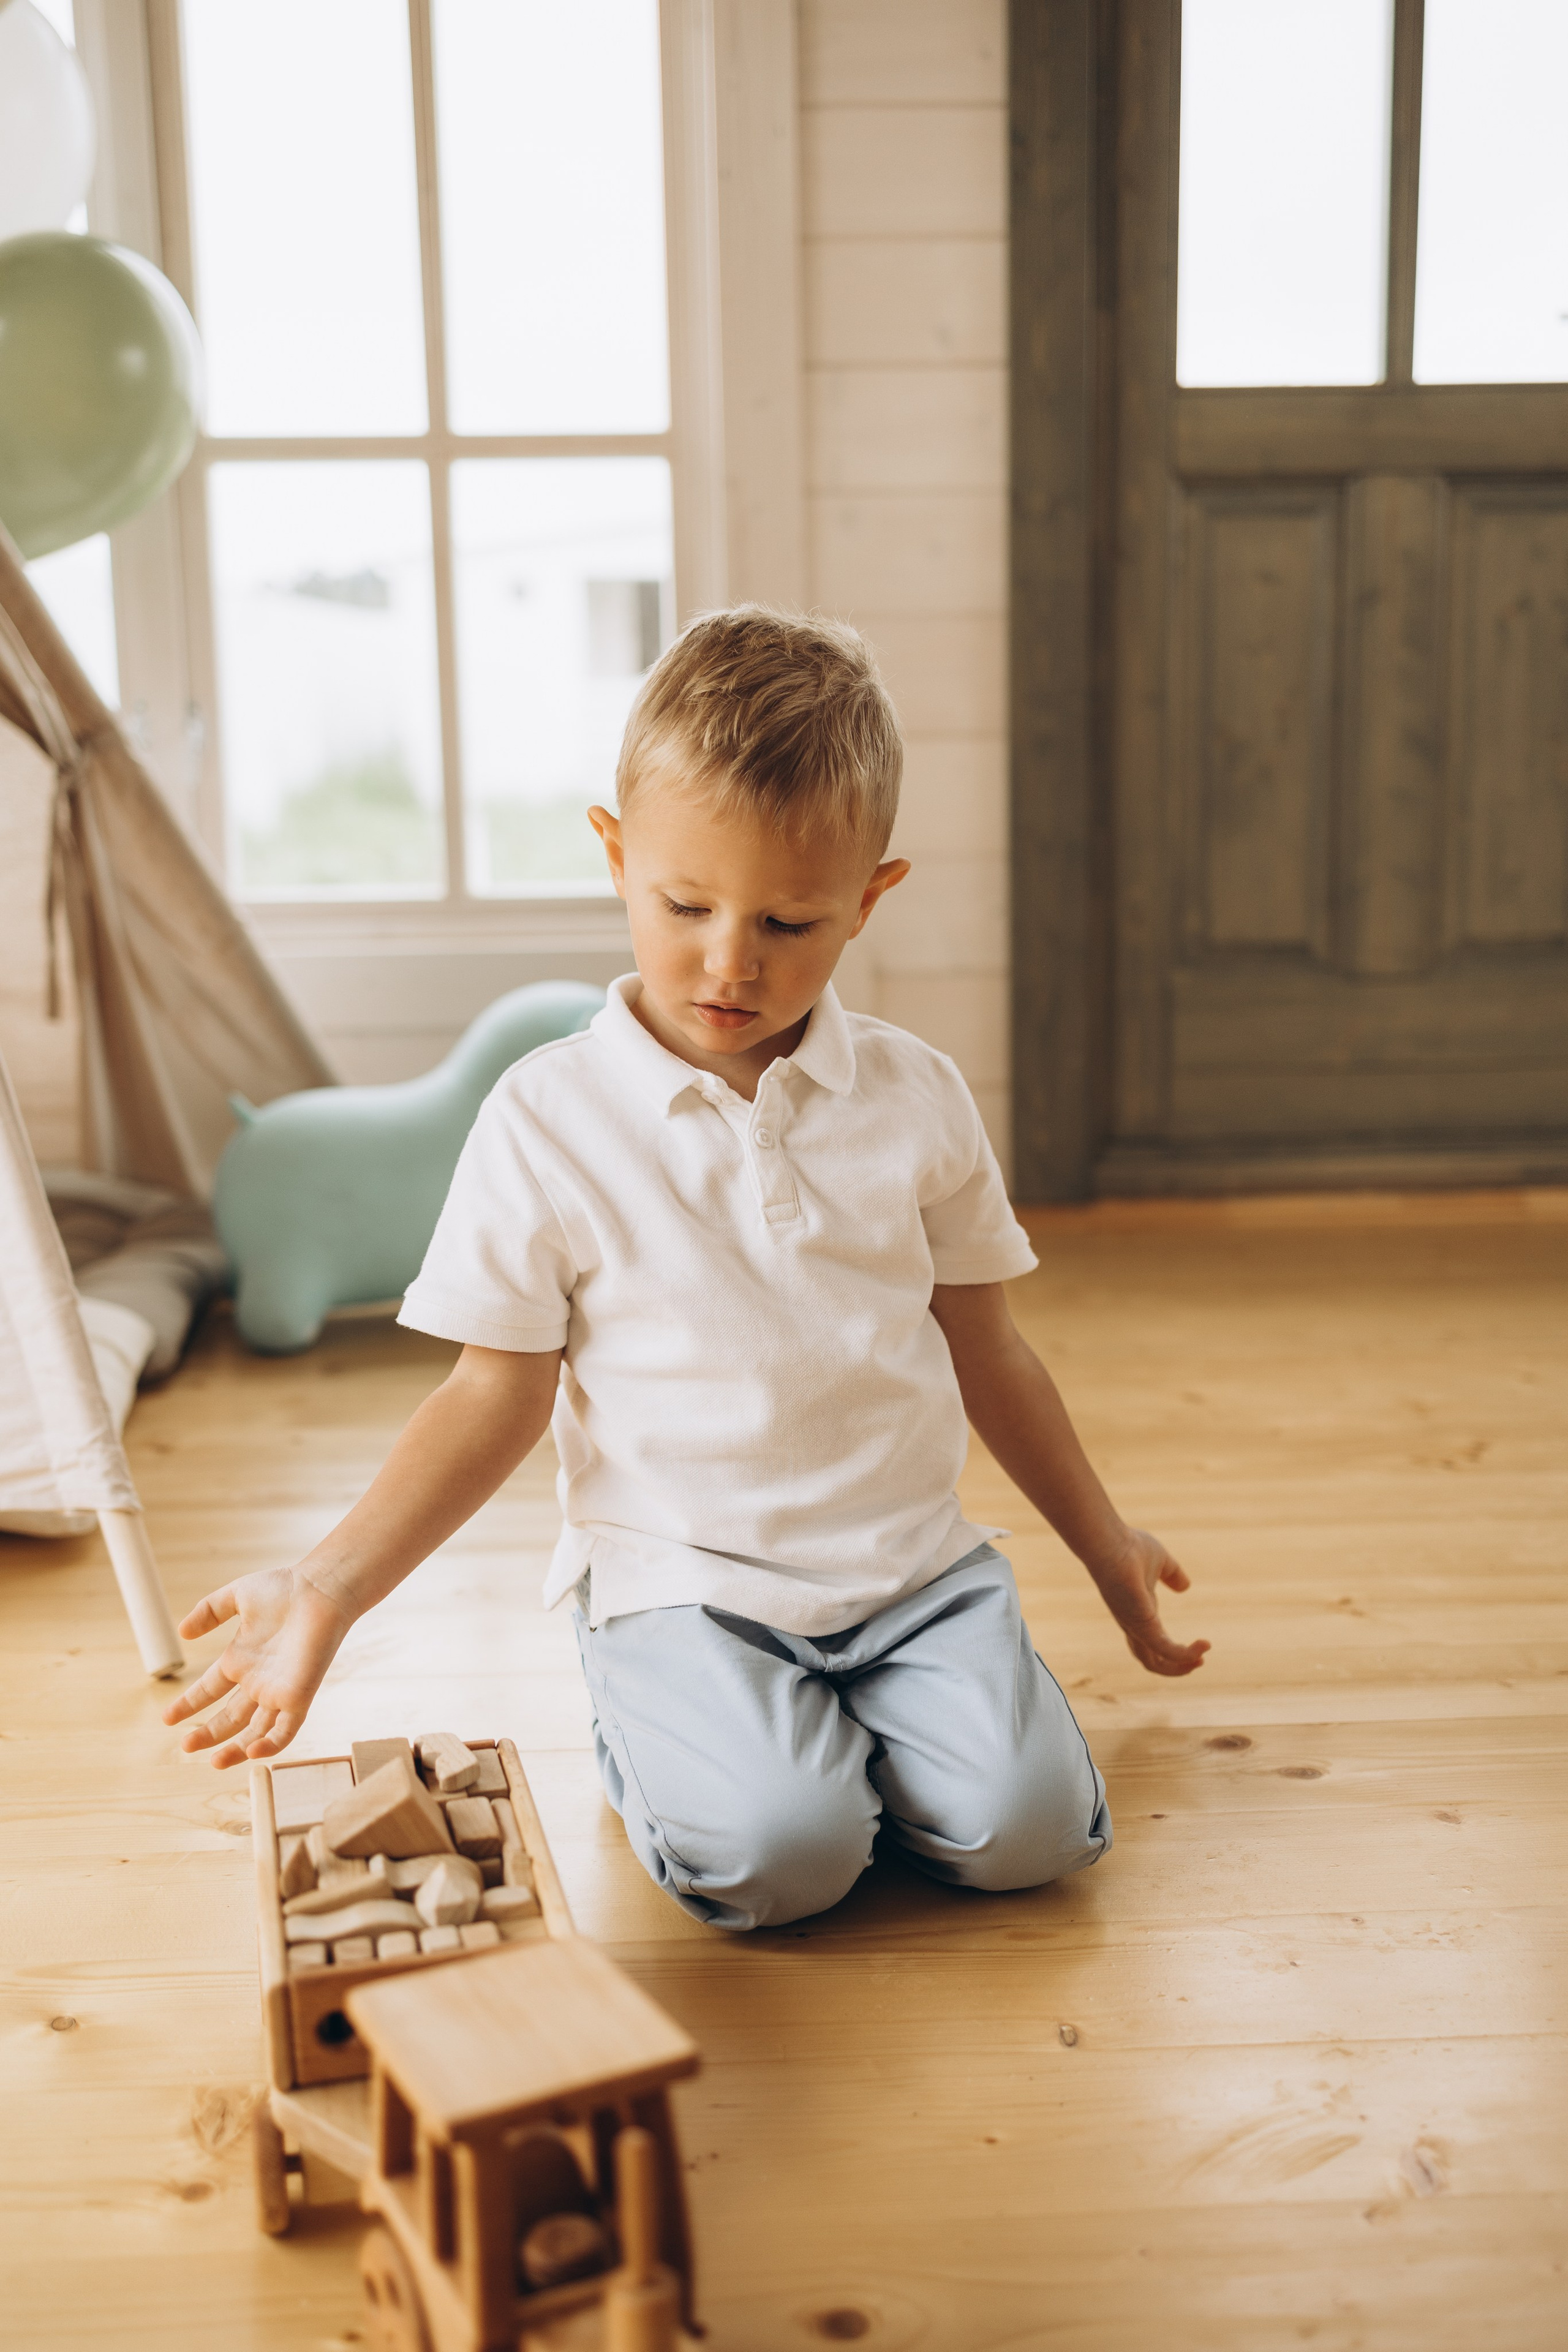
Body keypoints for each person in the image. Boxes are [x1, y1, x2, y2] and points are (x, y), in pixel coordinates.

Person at [165, 608, 1208, 1931]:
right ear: (614, 857)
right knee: (785, 1860)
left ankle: (855, 1731)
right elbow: (490, 1399)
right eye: (685, 905)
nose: (730, 961)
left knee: (1034, 1836)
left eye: (787, 919)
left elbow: (988, 1349)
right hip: (687, 1586)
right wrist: (325, 1587)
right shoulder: (545, 1119)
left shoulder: (916, 1096)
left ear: (869, 898)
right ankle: (677, 1724)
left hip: (907, 1570)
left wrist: (1104, 1546)